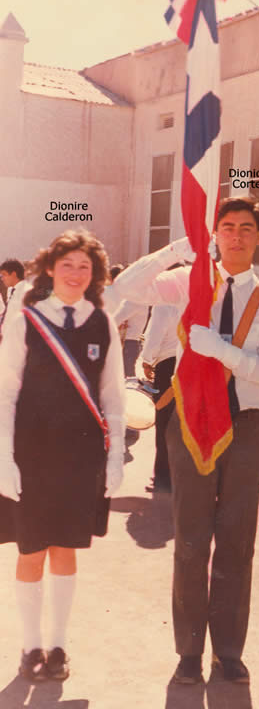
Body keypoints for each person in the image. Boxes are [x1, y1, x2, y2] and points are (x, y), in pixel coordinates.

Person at [112, 197, 259, 685]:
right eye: (226, 227)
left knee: (237, 542)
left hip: (246, 427)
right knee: (190, 541)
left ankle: (228, 651)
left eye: (246, 228)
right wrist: (177, 249)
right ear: (215, 234)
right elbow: (127, 287)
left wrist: (224, 352)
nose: (236, 236)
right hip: (190, 425)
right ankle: (189, 651)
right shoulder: (190, 284)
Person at [0, 230, 125, 682]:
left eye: (84, 266)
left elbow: (113, 396)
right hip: (30, 455)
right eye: (67, 264)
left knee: (66, 550)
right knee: (31, 550)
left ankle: (57, 645)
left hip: (80, 457)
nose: (75, 273)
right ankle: (30, 645)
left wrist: (115, 457)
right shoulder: (27, 321)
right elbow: (5, 394)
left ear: (95, 275)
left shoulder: (102, 324)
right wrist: (3, 458)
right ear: (51, 268)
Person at [141, 302, 181, 492]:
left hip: (168, 366)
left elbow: (154, 337)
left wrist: (147, 360)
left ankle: (164, 477)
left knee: (165, 422)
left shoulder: (164, 304)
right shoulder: (199, 299)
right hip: (193, 364)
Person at [113, 298, 149, 378]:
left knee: (123, 378)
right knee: (127, 377)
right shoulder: (143, 301)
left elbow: (114, 321)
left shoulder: (133, 301)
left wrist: (117, 326)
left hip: (126, 344)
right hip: (132, 344)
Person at [0, 258, 31, 341]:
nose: (2, 278)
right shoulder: (11, 290)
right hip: (7, 338)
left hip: (18, 339)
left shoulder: (27, 292)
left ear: (13, 274)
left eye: (4, 275)